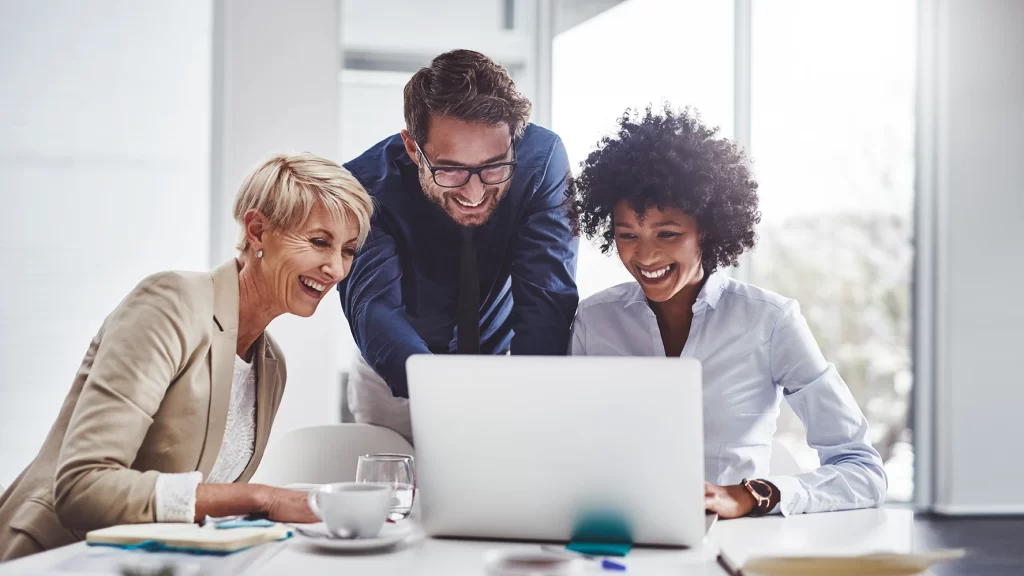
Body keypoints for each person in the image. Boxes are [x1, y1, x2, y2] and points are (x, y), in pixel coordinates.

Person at [0, 153, 374, 560]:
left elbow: (198, 512)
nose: (336, 269)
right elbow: (84, 487)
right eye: (319, 242)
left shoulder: (272, 366)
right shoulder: (170, 304)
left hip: (149, 565)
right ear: (257, 230)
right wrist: (261, 498)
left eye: (348, 250)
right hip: (55, 558)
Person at [568, 106, 887, 518]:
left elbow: (863, 471)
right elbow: (569, 448)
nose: (645, 255)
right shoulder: (594, 321)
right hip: (619, 531)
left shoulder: (770, 321)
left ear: (707, 229)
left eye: (668, 233)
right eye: (627, 235)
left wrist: (750, 495)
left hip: (733, 539)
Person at [340, 49, 579, 442]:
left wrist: (530, 400)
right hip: (395, 379)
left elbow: (546, 298)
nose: (474, 192)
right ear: (413, 148)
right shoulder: (362, 186)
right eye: (450, 169)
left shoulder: (542, 161)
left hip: (504, 367)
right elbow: (374, 308)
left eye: (494, 166)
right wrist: (448, 396)